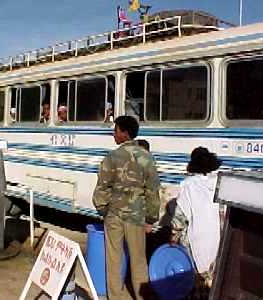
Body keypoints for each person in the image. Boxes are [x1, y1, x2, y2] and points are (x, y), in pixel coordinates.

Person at [92, 116, 161, 300]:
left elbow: (101, 188)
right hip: (137, 216)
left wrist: (103, 209)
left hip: (113, 215)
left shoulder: (112, 157)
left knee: (114, 260)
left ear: (124, 133)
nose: (114, 134)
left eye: (116, 130)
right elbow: (153, 191)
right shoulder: (147, 157)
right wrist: (151, 218)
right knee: (139, 261)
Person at [169, 146, 222, 299]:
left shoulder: (189, 185)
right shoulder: (218, 182)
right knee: (212, 281)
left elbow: (180, 219)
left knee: (195, 283)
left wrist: (173, 238)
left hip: (195, 240)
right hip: (216, 240)